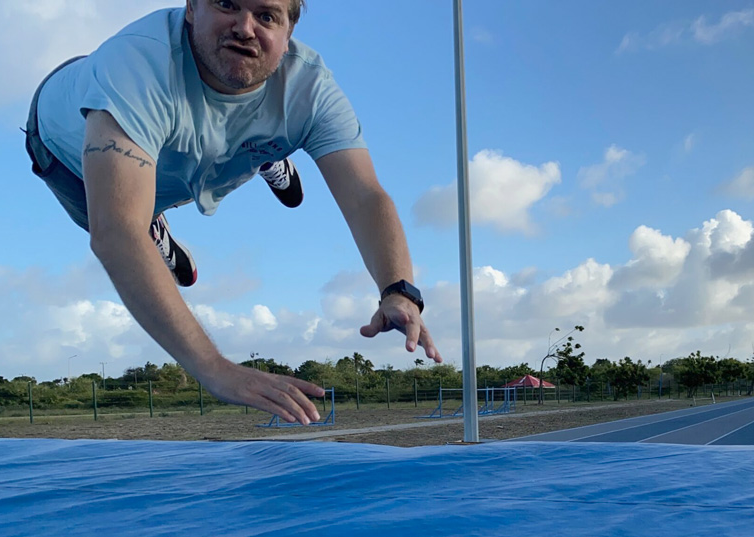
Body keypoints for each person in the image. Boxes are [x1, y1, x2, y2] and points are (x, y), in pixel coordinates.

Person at [25, 0, 442, 425]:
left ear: (289, 32)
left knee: (217, 152)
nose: (244, 27)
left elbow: (366, 195)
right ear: (190, 8)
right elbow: (115, 233)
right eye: (226, 3)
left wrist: (399, 289)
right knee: (120, 218)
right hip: (67, 154)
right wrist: (214, 368)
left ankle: (264, 153)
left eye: (266, 16)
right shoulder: (135, 65)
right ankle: (159, 223)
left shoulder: (309, 87)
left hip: (201, 152)